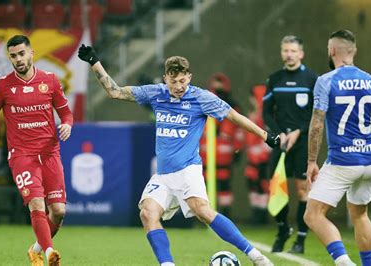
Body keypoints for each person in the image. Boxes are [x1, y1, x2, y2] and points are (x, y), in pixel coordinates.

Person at [78, 45, 279, 266]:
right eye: (173, 82)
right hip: (163, 175)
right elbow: (115, 91)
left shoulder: (201, 97)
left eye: (183, 81)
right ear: (165, 79)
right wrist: (94, 62)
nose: (179, 87)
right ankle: (167, 264)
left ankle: (256, 257)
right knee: (147, 213)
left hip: (188, 170)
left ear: (189, 77)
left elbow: (233, 115)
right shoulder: (156, 93)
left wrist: (265, 135)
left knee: (202, 211)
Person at [0, 35, 73, 266]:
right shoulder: (2, 86)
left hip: (50, 154)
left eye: (21, 54)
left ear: (31, 53)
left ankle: (36, 249)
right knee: (37, 204)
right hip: (22, 156)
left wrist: (67, 124)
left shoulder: (50, 80)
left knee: (58, 211)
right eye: (13, 56)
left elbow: (66, 113)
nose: (18, 59)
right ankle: (50, 254)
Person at [304, 29, 371, 266]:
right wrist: (367, 141)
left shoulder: (326, 80)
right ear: (354, 51)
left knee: (312, 215)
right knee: (360, 215)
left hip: (342, 161)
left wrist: (312, 162)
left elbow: (316, 124)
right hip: (368, 161)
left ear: (332, 50)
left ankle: (344, 262)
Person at [263, 35, 318, 253]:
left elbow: (317, 114)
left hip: (304, 142)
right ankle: (283, 228)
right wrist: (279, 134)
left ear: (301, 54)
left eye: (293, 50)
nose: (289, 54)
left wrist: (299, 131)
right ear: (281, 52)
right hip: (281, 142)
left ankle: (301, 240)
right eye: (285, 50)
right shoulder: (274, 79)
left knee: (302, 190)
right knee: (276, 188)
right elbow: (266, 113)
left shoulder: (313, 79)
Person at [199, 73, 243, 218]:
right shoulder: (204, 106)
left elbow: (238, 131)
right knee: (203, 186)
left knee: (224, 186)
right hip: (206, 155)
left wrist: (238, 149)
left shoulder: (232, 106)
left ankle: (225, 215)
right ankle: (204, 215)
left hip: (223, 156)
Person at [244, 85, 271, 224]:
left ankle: (262, 213)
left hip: (263, 158)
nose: (251, 100)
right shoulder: (253, 114)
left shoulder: (266, 116)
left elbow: (269, 137)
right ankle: (256, 211)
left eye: (253, 97)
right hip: (252, 156)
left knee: (262, 184)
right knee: (252, 182)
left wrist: (260, 152)